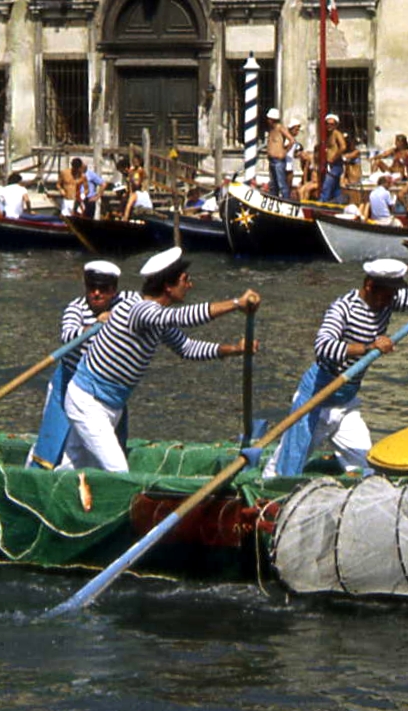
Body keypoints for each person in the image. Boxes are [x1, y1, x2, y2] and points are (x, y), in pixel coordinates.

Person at [55, 247, 259, 473]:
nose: (189, 285)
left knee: (72, 466)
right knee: (119, 472)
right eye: (185, 279)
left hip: (112, 403)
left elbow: (187, 348)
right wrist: (236, 304)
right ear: (168, 286)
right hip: (88, 400)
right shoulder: (141, 310)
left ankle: (50, 495)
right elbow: (182, 317)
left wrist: (235, 349)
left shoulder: (157, 318)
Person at [264, 259, 408, 478]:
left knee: (368, 465)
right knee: (288, 465)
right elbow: (323, 346)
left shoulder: (388, 300)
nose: (391, 301)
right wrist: (368, 347)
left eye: (393, 296)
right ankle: (266, 489)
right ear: (369, 286)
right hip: (317, 399)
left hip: (346, 401)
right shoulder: (343, 308)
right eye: (387, 295)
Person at [27, 261, 141, 469]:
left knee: (105, 445)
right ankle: (37, 473)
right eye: (91, 288)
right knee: (53, 444)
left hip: (104, 388)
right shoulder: (76, 308)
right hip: (69, 383)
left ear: (114, 290)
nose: (96, 294)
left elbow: (146, 301)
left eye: (103, 289)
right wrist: (97, 325)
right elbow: (68, 336)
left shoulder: (126, 302)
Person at [319, 114, 354, 204]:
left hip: (335, 165)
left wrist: (333, 158)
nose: (329, 126)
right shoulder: (328, 135)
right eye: (328, 123)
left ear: (336, 125)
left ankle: (321, 204)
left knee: (327, 186)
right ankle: (338, 205)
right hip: (330, 165)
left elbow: (343, 147)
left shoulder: (336, 134)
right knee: (335, 189)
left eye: (332, 124)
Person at [265, 108, 296, 199]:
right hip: (272, 160)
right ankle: (274, 200)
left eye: (269, 119)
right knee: (273, 185)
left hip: (278, 161)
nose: (267, 120)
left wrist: (285, 150)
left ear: (272, 119)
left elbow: (292, 140)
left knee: (281, 184)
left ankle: (286, 200)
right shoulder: (271, 130)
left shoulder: (280, 128)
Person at [117, 156, 152, 220]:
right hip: (132, 190)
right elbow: (130, 182)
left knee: (127, 201)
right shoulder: (132, 171)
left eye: (136, 162)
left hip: (138, 192)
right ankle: (121, 213)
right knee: (123, 198)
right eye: (134, 161)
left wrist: (140, 184)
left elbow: (143, 179)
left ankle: (124, 215)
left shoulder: (140, 170)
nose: (135, 163)